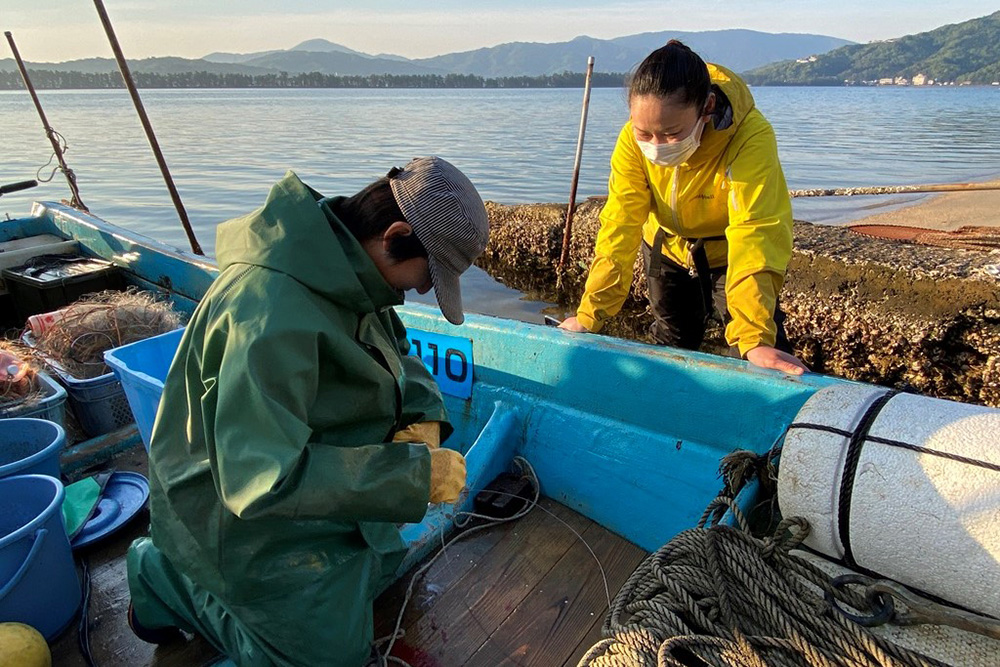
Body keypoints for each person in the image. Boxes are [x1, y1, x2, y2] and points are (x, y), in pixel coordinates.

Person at [125, 157, 490, 666]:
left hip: (311, 470)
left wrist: (421, 422)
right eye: (425, 278)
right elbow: (257, 477)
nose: (420, 293)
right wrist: (410, 478)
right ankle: (162, 573)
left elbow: (399, 352)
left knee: (380, 563)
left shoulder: (350, 267)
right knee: (331, 657)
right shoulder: (267, 310)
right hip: (230, 503)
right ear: (395, 235)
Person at [560, 40, 808, 375]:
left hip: (729, 253)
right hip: (666, 246)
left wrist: (756, 340)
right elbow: (620, 224)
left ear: (707, 107)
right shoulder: (631, 141)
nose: (656, 147)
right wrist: (590, 315)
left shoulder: (749, 137)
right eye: (644, 133)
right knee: (672, 342)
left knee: (758, 351)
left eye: (672, 133)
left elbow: (756, 231)